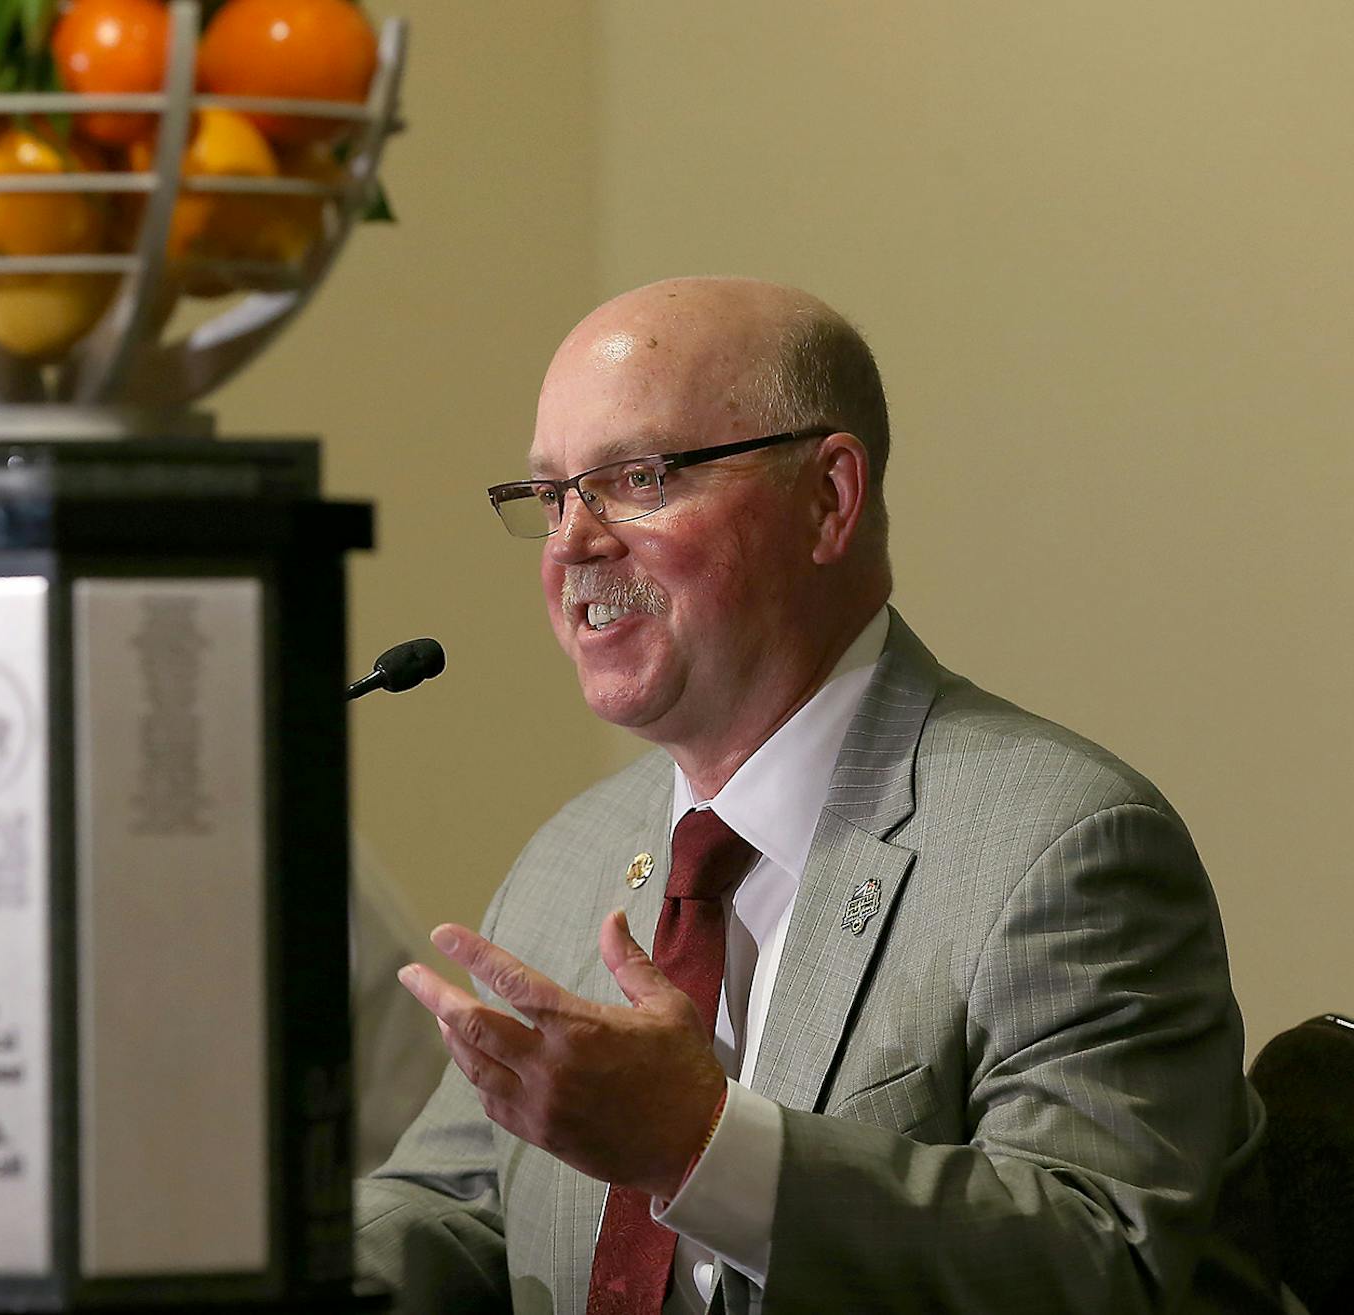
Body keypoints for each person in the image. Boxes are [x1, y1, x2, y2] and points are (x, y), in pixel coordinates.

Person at [356, 278, 1279, 1313]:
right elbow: (458, 1205)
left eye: (637, 477)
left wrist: (701, 1148)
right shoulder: (571, 857)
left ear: (829, 499)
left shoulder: (1066, 849)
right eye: (549, 494)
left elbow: (1102, 1258)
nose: (574, 541)